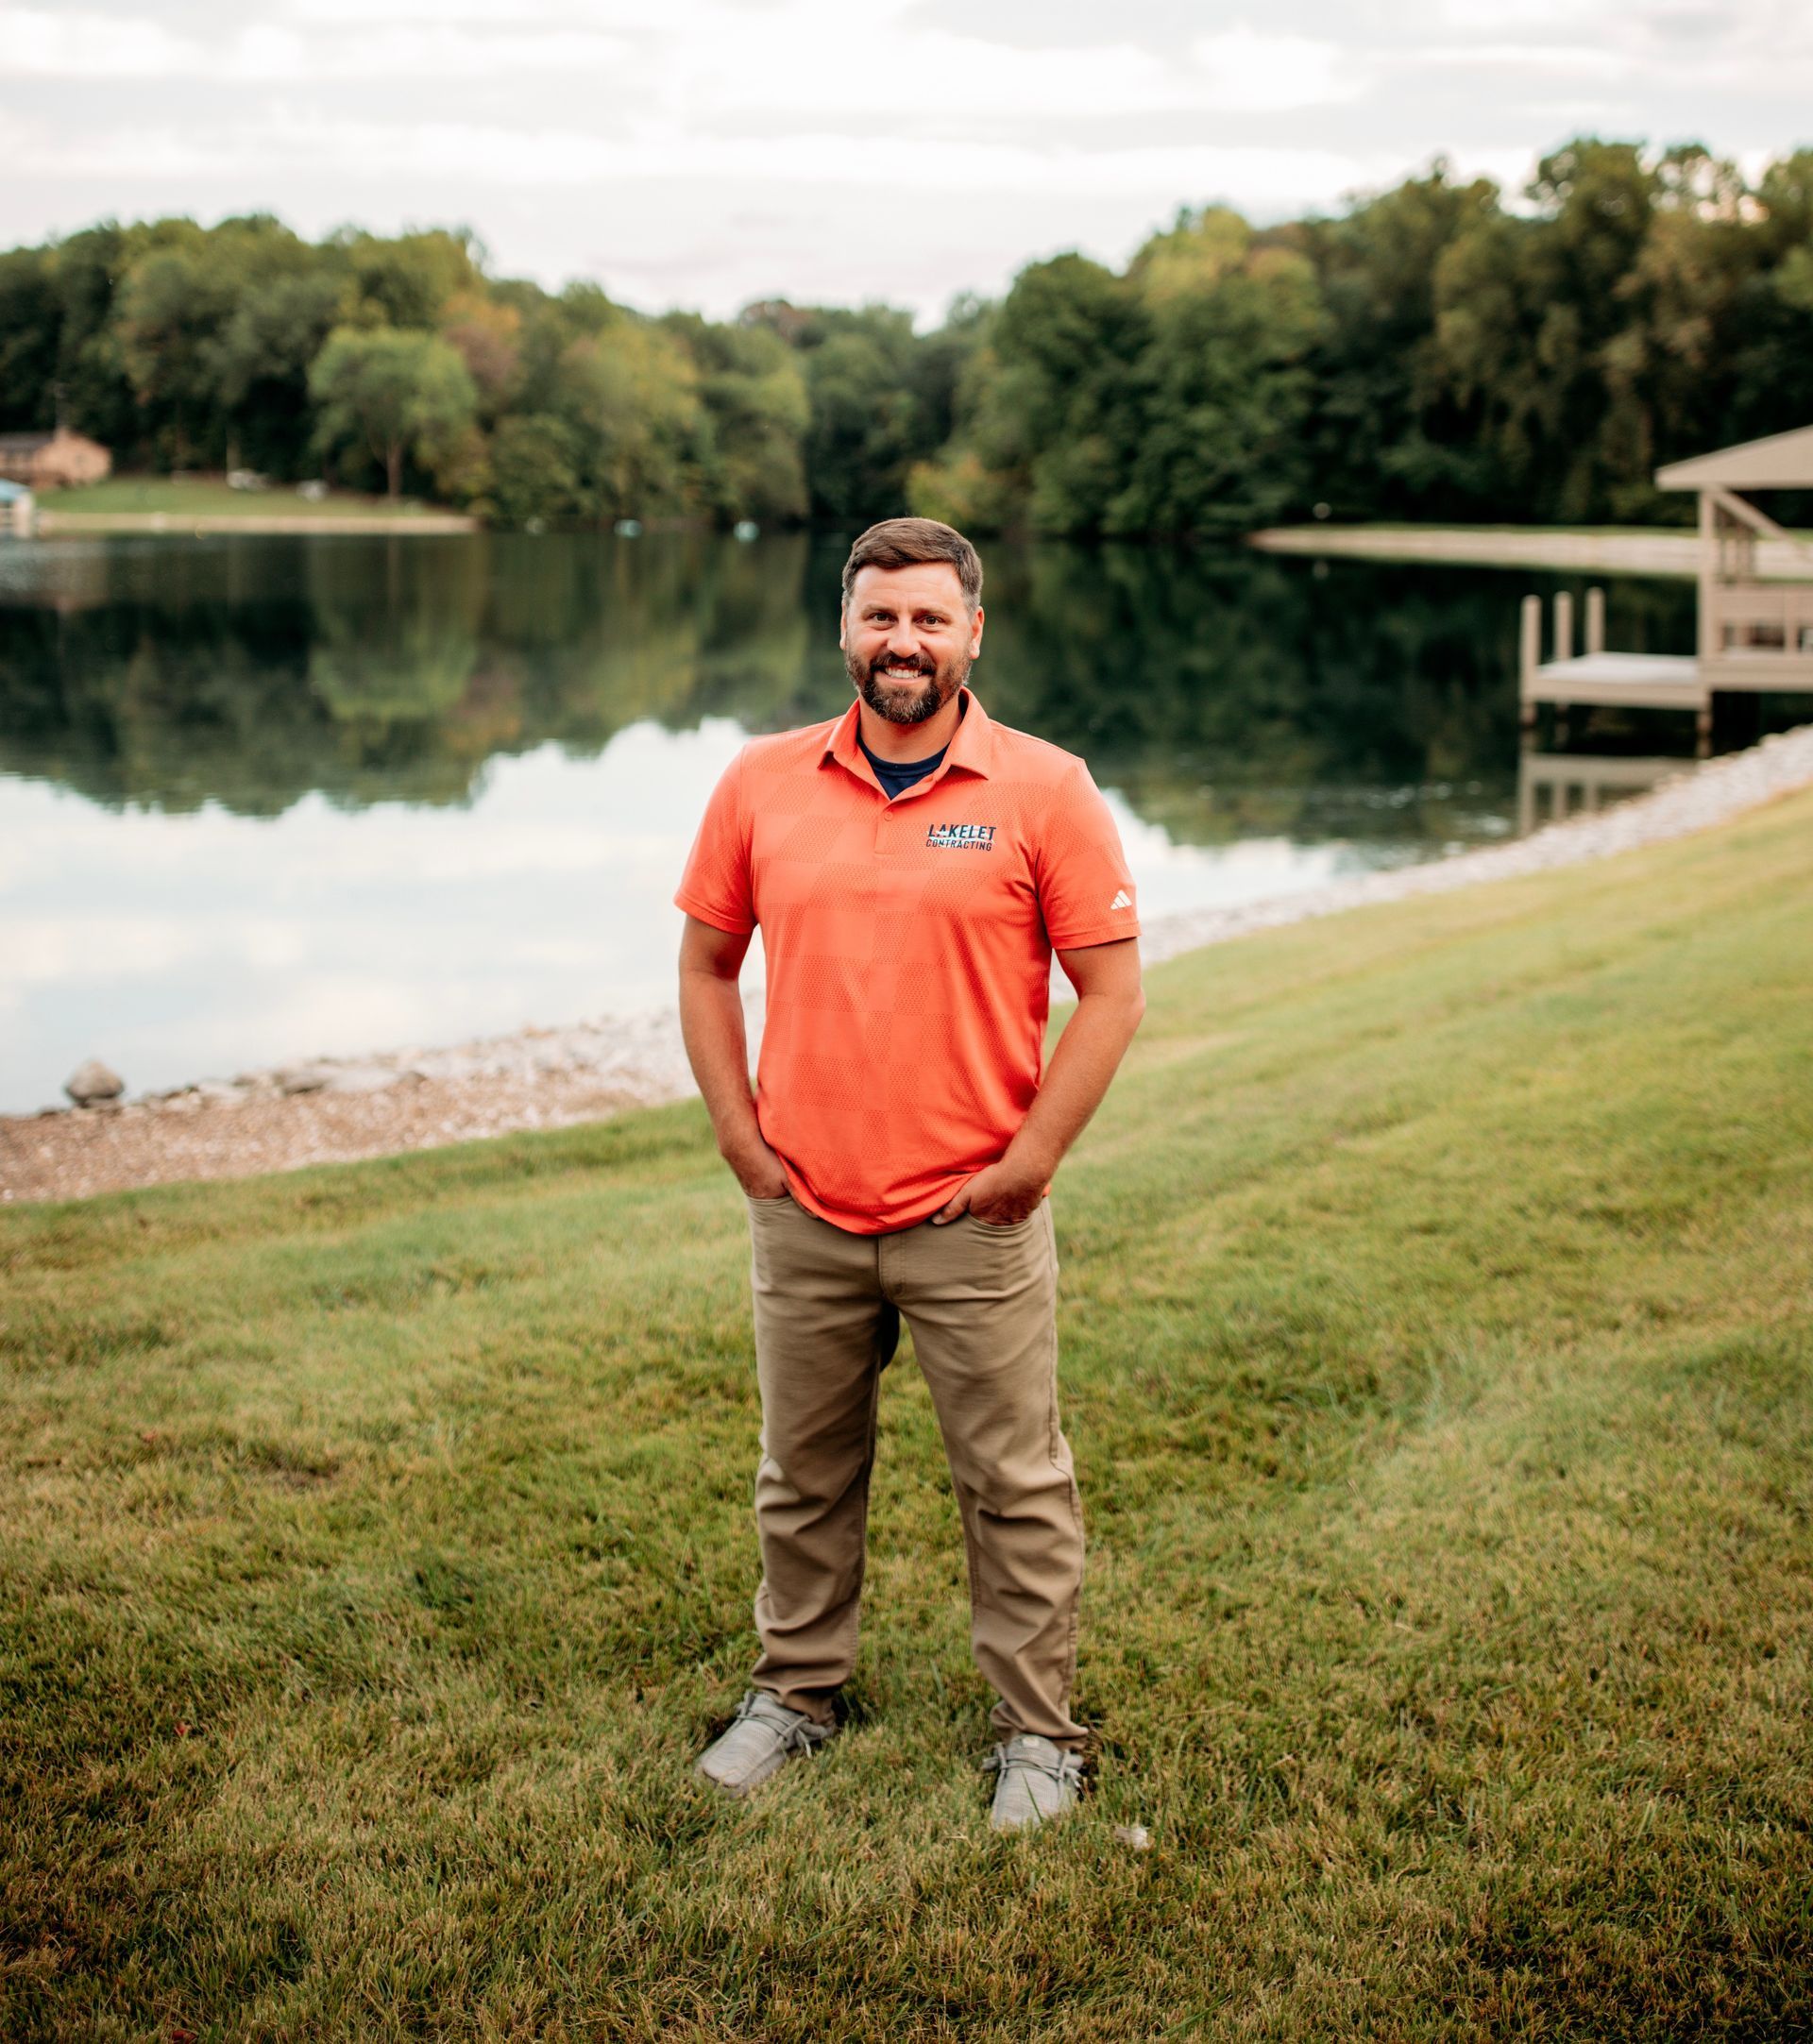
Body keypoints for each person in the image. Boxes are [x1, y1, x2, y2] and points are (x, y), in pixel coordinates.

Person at [674, 516, 1144, 1831]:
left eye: (931, 619)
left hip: (972, 1215)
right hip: (804, 1209)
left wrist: (1029, 1162)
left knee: (1014, 1483)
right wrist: (737, 1134)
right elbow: (706, 965)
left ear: (973, 634)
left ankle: (1039, 1737)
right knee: (803, 1471)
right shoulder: (760, 783)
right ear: (844, 628)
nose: (904, 642)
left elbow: (1111, 994)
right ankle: (796, 1695)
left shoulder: (1047, 788)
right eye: (882, 617)